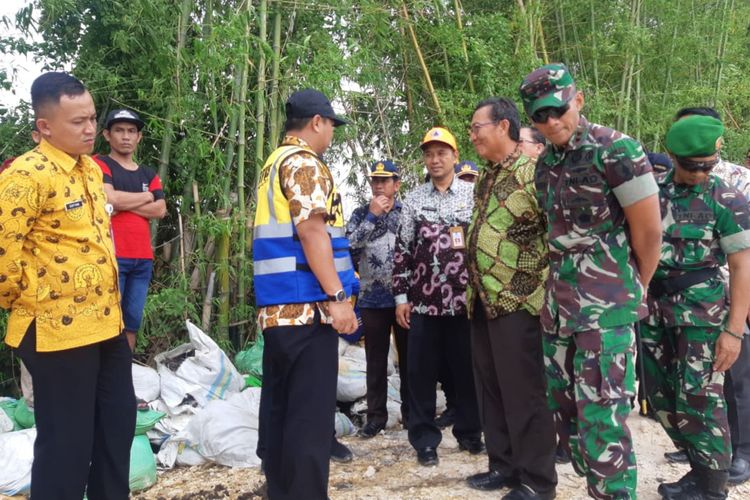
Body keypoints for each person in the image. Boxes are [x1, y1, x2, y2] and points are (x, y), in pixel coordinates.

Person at [519, 63, 662, 499]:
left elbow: (649, 234)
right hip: (559, 313)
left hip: (606, 312)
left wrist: (633, 286)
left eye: (557, 111)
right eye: (539, 117)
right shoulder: (546, 164)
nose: (550, 122)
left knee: (603, 419)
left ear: (577, 100)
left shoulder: (617, 150)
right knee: (568, 418)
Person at [0, 72, 135, 499]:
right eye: (78, 121)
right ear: (44, 126)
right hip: (55, 331)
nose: (91, 128)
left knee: (117, 427)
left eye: (92, 117)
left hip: (106, 324)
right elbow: (4, 250)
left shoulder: (91, 171)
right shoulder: (26, 175)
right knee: (67, 445)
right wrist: (27, 301)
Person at [252, 88, 358, 500]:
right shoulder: (304, 164)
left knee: (279, 412)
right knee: (309, 420)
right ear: (317, 122)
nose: (332, 133)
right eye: (331, 124)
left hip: (277, 310)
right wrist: (338, 296)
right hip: (306, 309)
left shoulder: (272, 163)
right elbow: (312, 231)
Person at [641, 115, 750, 500]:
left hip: (702, 316)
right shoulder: (651, 193)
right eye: (691, 166)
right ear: (672, 156)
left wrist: (733, 332)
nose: (701, 174)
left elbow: (741, 267)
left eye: (707, 166)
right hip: (654, 311)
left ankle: (713, 487)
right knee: (659, 395)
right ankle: (697, 467)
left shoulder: (727, 200)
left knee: (701, 399)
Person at [464, 97, 557, 500]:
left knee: (524, 393)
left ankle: (537, 481)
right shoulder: (487, 176)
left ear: (503, 126)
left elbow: (555, 234)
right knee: (491, 388)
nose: (472, 136)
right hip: (483, 299)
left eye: (476, 128)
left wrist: (546, 294)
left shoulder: (534, 172)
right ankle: (502, 465)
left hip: (520, 301)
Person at [393, 126, 483, 466]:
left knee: (467, 371)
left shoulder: (472, 196)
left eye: (441, 153)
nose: (435, 159)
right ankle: (425, 441)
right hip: (424, 305)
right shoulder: (414, 199)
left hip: (464, 303)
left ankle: (471, 434)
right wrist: (401, 299)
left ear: (454, 156)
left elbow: (481, 248)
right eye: (429, 153)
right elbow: (402, 252)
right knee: (420, 374)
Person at [94, 109, 167, 351]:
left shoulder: (148, 173)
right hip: (112, 256)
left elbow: (160, 210)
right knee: (108, 321)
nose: (126, 136)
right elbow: (109, 198)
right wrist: (146, 196)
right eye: (119, 130)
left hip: (142, 259)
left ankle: (124, 376)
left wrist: (120, 204)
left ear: (139, 138)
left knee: (132, 322)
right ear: (106, 135)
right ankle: (104, 380)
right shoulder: (100, 164)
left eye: (131, 131)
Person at [347, 159, 409, 437]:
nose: (379, 185)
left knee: (410, 359)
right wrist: (371, 217)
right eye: (375, 180)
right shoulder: (360, 214)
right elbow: (348, 246)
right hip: (372, 299)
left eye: (385, 180)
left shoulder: (406, 213)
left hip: (404, 298)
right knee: (375, 360)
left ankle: (413, 414)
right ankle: (376, 418)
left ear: (396, 184)